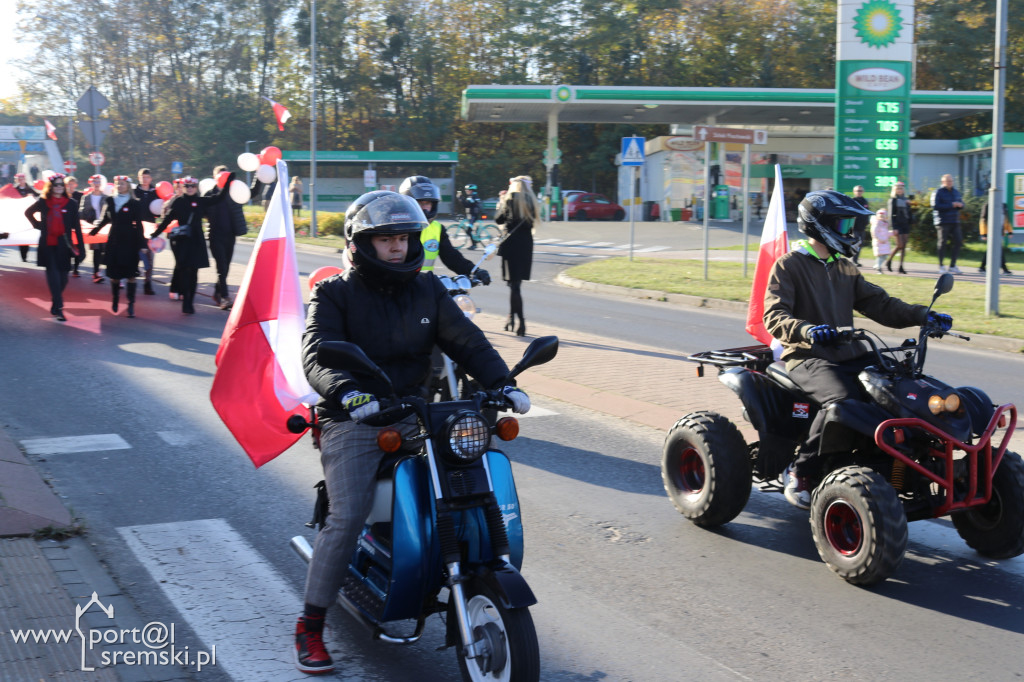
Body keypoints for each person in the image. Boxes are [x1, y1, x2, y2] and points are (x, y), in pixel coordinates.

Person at [295, 190, 530, 675]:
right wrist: (348, 394)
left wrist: (502, 383)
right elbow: (317, 354)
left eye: (402, 237)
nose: (397, 247)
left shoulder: (428, 289)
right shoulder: (334, 293)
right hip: (356, 415)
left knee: (469, 473)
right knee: (350, 513)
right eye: (385, 240)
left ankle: (464, 565)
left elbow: (467, 341)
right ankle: (310, 624)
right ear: (362, 244)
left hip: (417, 410)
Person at [763, 190, 952, 509]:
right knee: (842, 400)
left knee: (899, 389)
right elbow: (774, 315)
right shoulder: (789, 265)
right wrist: (808, 330)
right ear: (819, 225)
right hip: (808, 357)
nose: (849, 231)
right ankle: (801, 470)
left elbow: (879, 304)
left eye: (850, 224)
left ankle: (899, 463)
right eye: (843, 224)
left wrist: (923, 315)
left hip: (849, 353)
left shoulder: (844, 267)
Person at [152, 174, 234, 314]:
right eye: (187, 186)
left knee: (194, 272)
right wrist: (155, 233)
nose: (190, 189)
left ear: (196, 187)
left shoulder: (201, 201)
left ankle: (190, 301)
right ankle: (186, 299)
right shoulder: (178, 202)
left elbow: (219, 198)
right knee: (184, 271)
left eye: (192, 186)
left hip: (197, 240)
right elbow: (167, 220)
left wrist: (227, 183)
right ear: (183, 187)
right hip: (183, 240)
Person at [397, 175, 490, 282]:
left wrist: (474, 271)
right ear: (407, 203)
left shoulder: (437, 229)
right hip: (398, 286)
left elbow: (452, 258)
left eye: (427, 203)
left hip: (424, 287)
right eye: (420, 202)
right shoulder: (395, 228)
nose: (424, 207)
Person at [22, 174, 83, 322]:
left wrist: (81, 247)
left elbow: (76, 227)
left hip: (65, 244)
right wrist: (39, 225)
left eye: (61, 185)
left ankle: (55, 303)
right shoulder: (43, 202)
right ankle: (60, 308)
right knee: (54, 275)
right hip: (48, 244)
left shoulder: (71, 203)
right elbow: (28, 213)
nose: (59, 187)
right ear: (51, 187)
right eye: (56, 185)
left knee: (63, 278)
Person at [89, 175, 147, 317]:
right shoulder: (110, 201)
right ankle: (115, 299)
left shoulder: (135, 203)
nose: (120, 186)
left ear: (128, 185)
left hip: (130, 242)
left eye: (122, 183)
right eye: (117, 184)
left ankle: (131, 304)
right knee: (114, 276)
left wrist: (142, 244)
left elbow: (139, 225)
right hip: (114, 241)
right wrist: (94, 231)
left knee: (131, 275)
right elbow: (104, 220)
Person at [495, 175, 539, 337]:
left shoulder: (510, 199)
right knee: (516, 285)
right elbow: (531, 223)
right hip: (526, 245)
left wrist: (501, 202)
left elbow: (498, 219)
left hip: (511, 245)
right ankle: (511, 318)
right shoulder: (532, 201)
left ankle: (521, 322)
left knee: (513, 287)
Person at [205, 165, 247, 309]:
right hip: (215, 236)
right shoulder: (209, 194)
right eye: (220, 175)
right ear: (215, 177)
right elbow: (202, 211)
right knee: (221, 267)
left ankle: (217, 293)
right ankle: (225, 297)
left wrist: (259, 178)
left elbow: (251, 193)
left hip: (230, 236)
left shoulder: (234, 193)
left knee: (226, 268)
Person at [931, 173, 964, 274]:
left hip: (954, 220)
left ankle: (953, 265)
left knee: (958, 241)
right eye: (948, 181)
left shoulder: (956, 192)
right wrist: (951, 205)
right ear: (943, 182)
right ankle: (941, 266)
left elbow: (962, 203)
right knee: (942, 243)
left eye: (951, 181)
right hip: (942, 221)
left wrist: (960, 205)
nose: (950, 183)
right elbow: (935, 206)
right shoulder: (938, 192)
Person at [79, 175, 108, 283]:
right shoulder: (86, 197)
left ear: (101, 184)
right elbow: (82, 213)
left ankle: (99, 270)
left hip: (104, 227)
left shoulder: (106, 198)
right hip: (92, 227)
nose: (96, 183)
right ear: (91, 184)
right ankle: (96, 273)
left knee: (104, 250)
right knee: (97, 250)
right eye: (94, 181)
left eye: (98, 181)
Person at [134, 168, 159, 295]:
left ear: (151, 178)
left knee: (149, 258)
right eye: (142, 177)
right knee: (133, 256)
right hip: (135, 229)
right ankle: (129, 280)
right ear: (139, 178)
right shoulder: (134, 192)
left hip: (150, 230)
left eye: (147, 177)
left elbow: (162, 207)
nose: (145, 180)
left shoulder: (156, 193)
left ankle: (147, 284)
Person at [979, 201, 1013, 276]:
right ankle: (1004, 269)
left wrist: (1010, 231)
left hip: (1000, 232)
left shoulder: (1004, 205)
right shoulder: (987, 205)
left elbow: (1006, 219)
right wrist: (984, 234)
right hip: (991, 232)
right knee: (999, 250)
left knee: (991, 250)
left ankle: (982, 267)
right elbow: (983, 219)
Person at [885, 181, 913, 274]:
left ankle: (901, 266)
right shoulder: (892, 200)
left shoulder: (906, 199)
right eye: (898, 188)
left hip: (905, 224)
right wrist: (893, 227)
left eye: (901, 188)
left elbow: (909, 213)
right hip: (897, 225)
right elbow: (890, 214)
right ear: (895, 190)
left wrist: (909, 205)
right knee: (899, 245)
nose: (900, 190)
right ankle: (889, 261)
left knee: (904, 246)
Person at [13, 172, 38, 263]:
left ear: (25, 179)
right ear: (16, 180)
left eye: (22, 179)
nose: (21, 180)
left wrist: (32, 197)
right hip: (19, 216)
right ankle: (23, 255)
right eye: (19, 179)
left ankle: (25, 254)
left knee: (26, 235)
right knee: (21, 236)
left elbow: (38, 197)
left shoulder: (30, 189)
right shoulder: (14, 190)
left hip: (28, 216)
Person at [65, 177, 84, 277]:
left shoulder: (80, 195)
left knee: (77, 247)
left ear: (75, 185)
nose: (70, 186)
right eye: (68, 184)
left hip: (77, 224)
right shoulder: (62, 196)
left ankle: (76, 269)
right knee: (68, 247)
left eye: (72, 184)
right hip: (66, 226)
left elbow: (82, 209)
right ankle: (67, 266)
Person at [849, 185, 870, 266]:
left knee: (860, 244)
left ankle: (856, 260)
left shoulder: (865, 201)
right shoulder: (852, 201)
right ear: (854, 192)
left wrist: (867, 221)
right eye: (857, 191)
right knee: (856, 243)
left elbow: (867, 211)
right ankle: (854, 260)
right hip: (854, 226)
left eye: (860, 191)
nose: (859, 192)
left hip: (862, 226)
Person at [460, 183, 482, 249]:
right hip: (472, 215)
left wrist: (461, 198)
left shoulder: (473, 196)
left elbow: (467, 204)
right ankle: (475, 242)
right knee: (469, 230)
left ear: (471, 190)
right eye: (466, 190)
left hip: (474, 215)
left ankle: (474, 244)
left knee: (468, 230)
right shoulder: (471, 196)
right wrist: (461, 198)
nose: (466, 191)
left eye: (467, 190)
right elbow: (466, 204)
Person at [870, 208, 891, 274]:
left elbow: (885, 233)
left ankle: (876, 265)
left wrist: (892, 233)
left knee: (884, 255)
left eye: (883, 216)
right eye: (880, 216)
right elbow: (874, 232)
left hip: (884, 242)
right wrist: (880, 239)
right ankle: (878, 268)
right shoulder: (877, 223)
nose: (882, 217)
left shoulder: (884, 224)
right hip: (878, 242)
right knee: (881, 255)